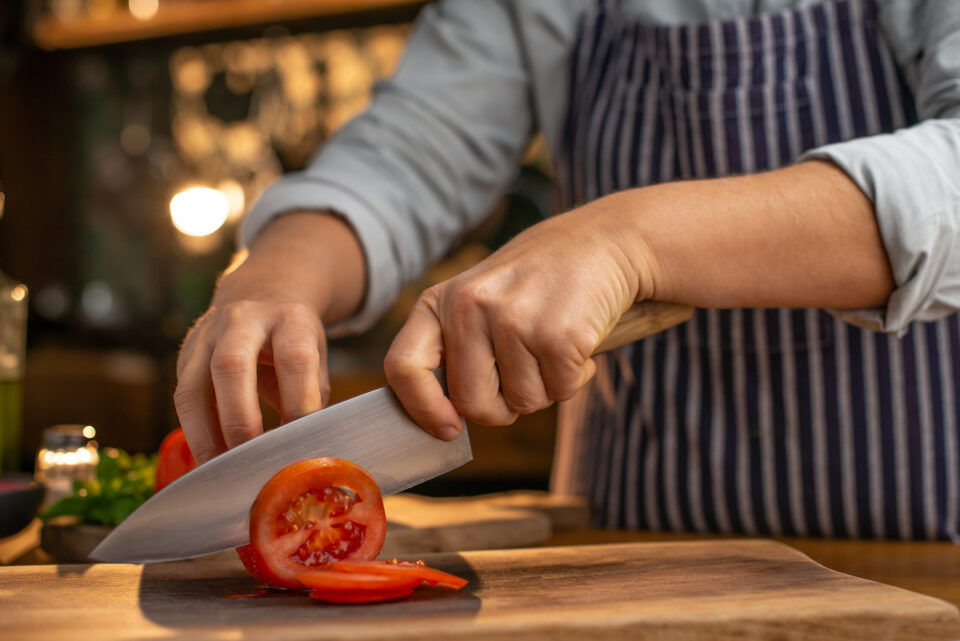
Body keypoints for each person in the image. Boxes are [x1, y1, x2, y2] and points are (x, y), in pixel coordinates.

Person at [174, 0, 960, 541]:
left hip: (924, 552)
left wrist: (630, 239)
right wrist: (275, 274)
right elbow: (414, 148)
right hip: (627, 542)